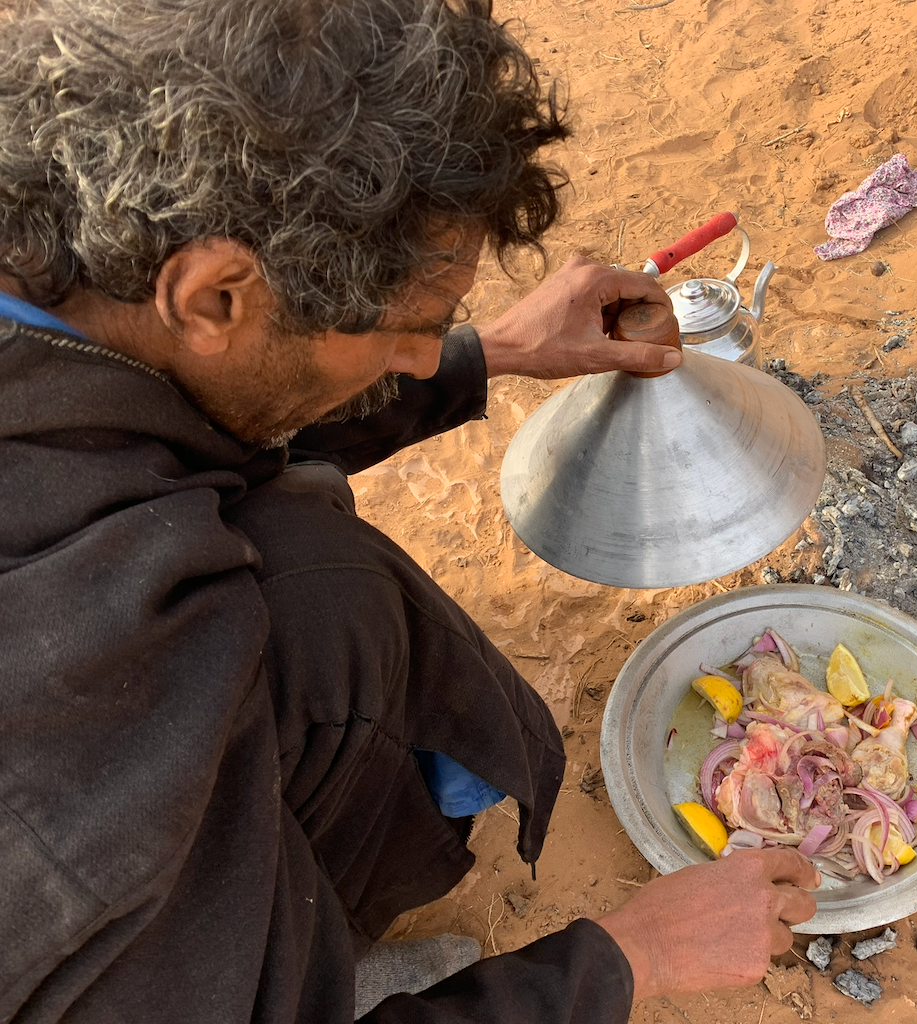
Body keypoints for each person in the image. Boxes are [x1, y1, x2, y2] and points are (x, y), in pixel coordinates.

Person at [0, 1, 820, 1022]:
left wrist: (490, 352)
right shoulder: (86, 714)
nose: (426, 353)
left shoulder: (60, 281)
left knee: (315, 571)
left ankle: (304, 941)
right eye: (412, 328)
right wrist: (623, 958)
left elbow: (199, 407)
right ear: (214, 295)